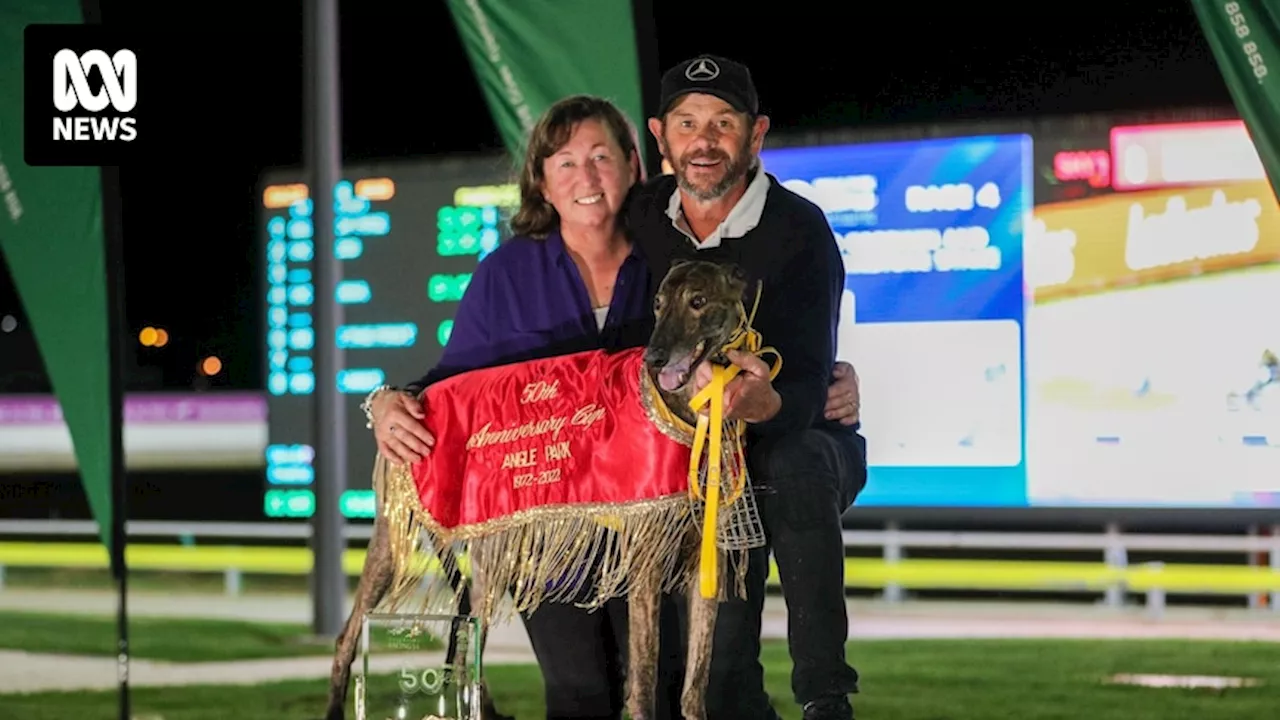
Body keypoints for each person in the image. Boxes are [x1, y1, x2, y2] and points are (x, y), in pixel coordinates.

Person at [365, 96, 862, 717]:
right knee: (580, 695)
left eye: (602, 157)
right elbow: (452, 384)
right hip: (554, 533)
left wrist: (824, 383)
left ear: (634, 166)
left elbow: (752, 342)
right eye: (566, 162)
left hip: (662, 524)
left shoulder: (672, 255)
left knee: (680, 689)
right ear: (542, 181)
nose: (587, 177)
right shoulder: (506, 275)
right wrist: (388, 402)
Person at [626, 54, 868, 720]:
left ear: (755, 134)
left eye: (723, 122)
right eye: (688, 122)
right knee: (722, 682)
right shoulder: (640, 217)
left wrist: (773, 402)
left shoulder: (800, 229)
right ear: (661, 136)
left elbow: (814, 376)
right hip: (700, 463)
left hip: (800, 444)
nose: (705, 140)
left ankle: (826, 695)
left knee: (785, 463)